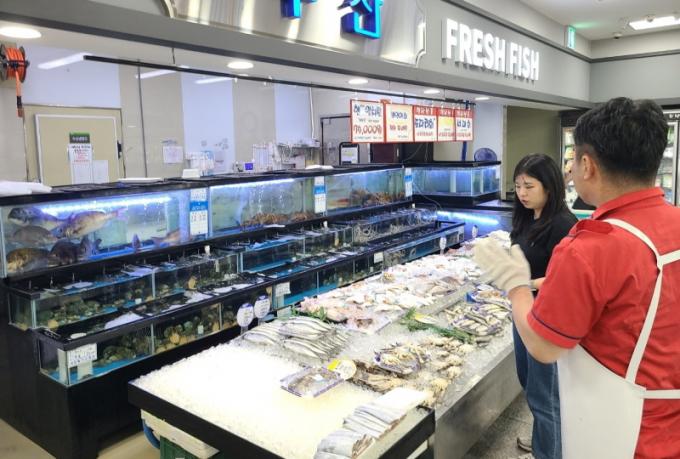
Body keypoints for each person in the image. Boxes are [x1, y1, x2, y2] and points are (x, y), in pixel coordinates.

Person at [475, 97, 680, 458]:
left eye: (573, 159)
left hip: (621, 436)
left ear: (587, 165)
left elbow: (544, 346)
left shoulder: (589, 247)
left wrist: (516, 285)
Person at [510, 154, 576, 459]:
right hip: (523, 312)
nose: (522, 193)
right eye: (518, 186)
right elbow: (517, 250)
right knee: (529, 382)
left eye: (529, 186)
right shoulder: (526, 217)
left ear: (549, 186)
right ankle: (543, 440)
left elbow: (568, 278)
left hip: (547, 318)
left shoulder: (563, 224)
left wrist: (527, 282)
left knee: (546, 395)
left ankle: (549, 452)